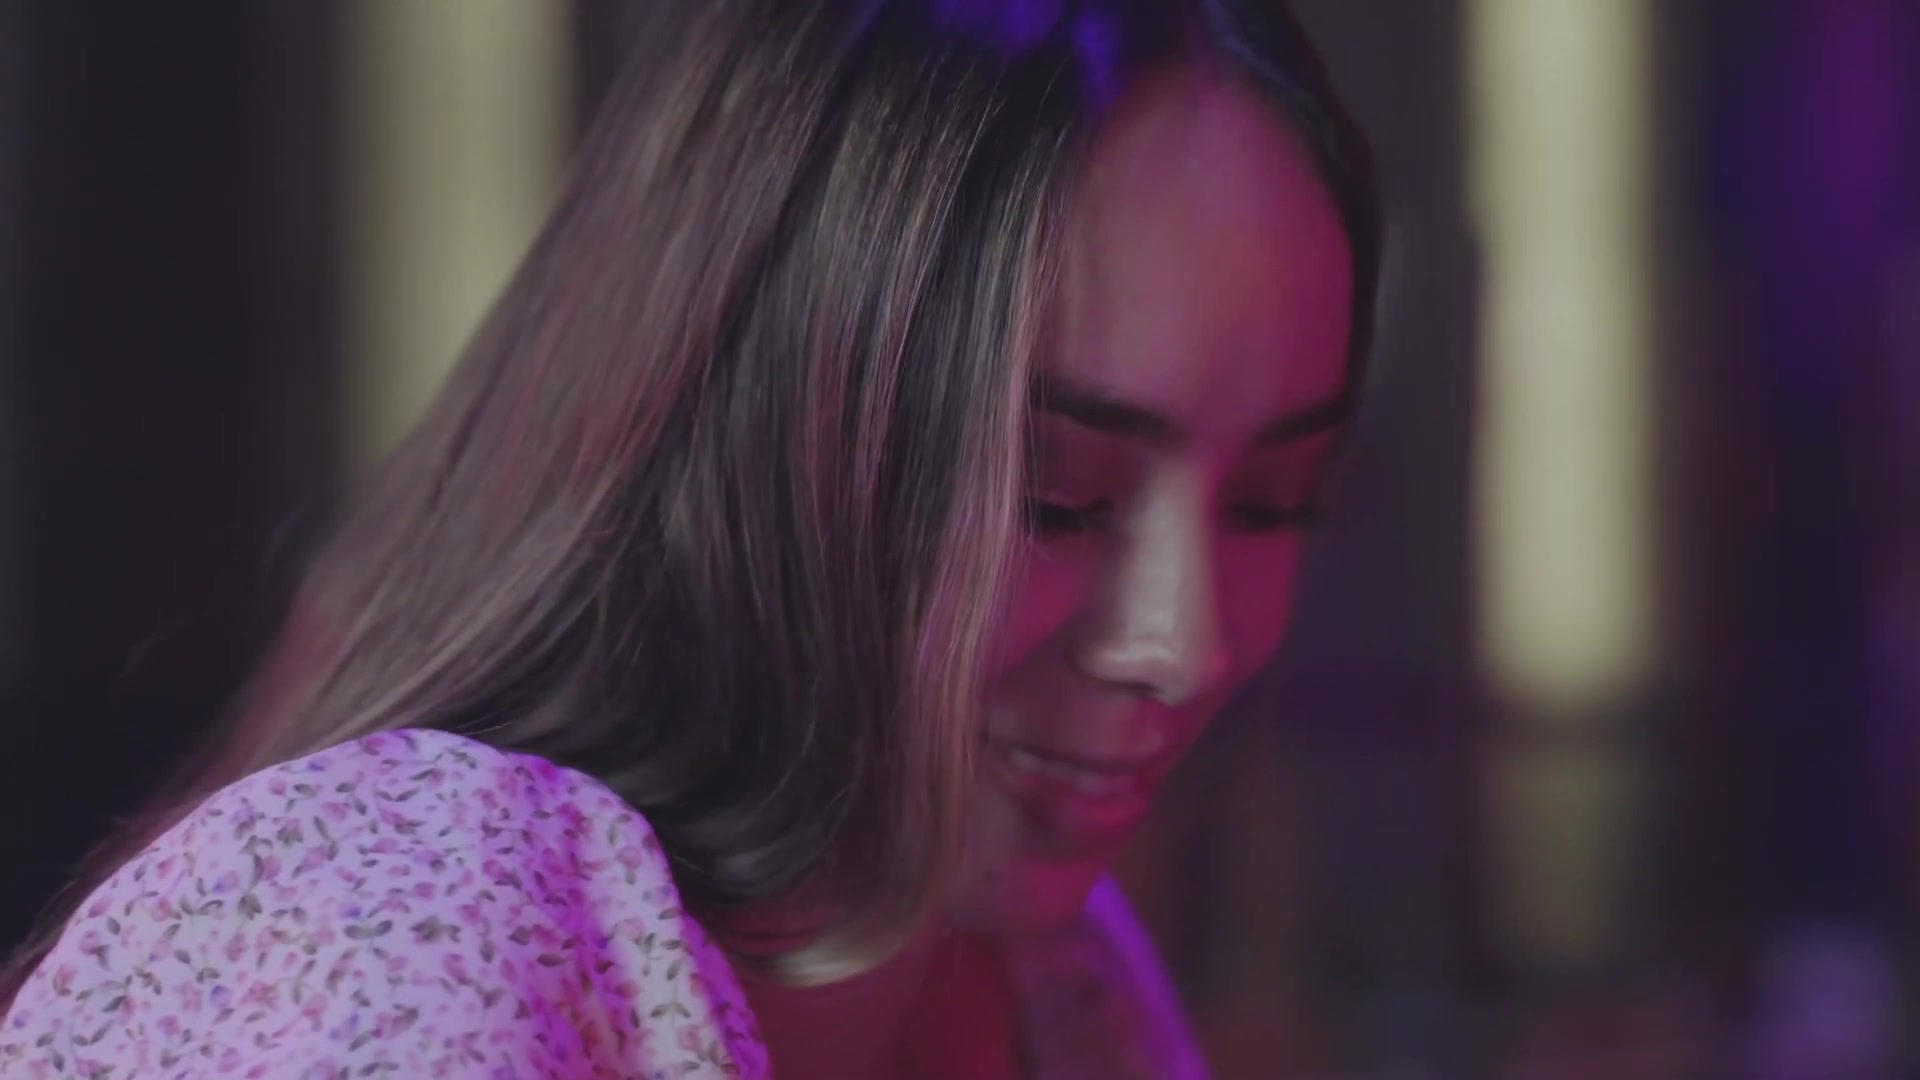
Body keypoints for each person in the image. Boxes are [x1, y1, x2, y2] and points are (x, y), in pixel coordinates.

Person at [0, 0, 1377, 1075]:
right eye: (1060, 492)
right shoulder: (398, 921)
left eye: (1272, 500)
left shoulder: (1058, 978)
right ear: (762, 423)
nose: (1187, 645)